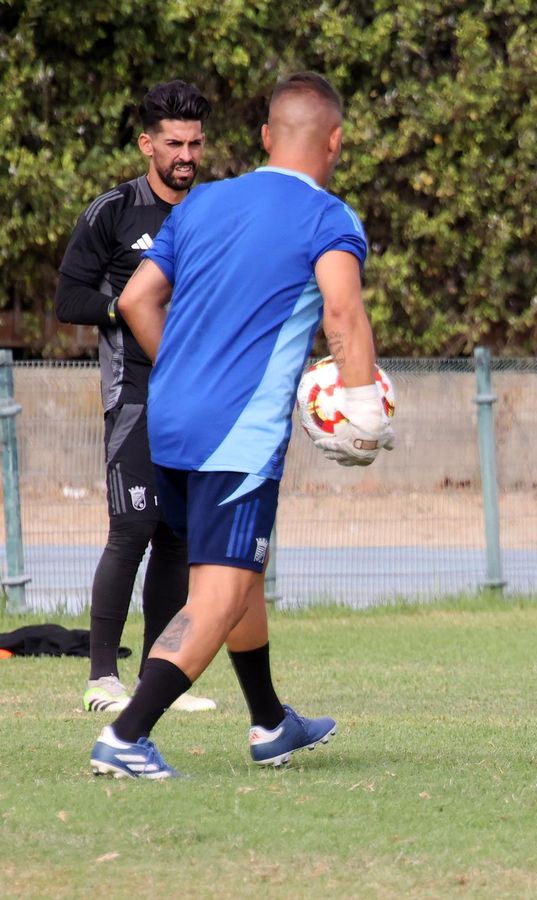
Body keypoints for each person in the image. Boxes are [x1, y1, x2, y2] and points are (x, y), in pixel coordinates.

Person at [88, 72, 395, 779]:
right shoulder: (329, 217)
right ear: (337, 142)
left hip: (167, 424)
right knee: (220, 595)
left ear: (264, 136)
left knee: (240, 572)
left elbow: (136, 299)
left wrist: (184, 374)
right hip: (237, 436)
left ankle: (269, 723)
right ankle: (126, 735)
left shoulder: (203, 204)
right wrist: (363, 406)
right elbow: (342, 314)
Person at [55, 80, 217, 715]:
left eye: (195, 143)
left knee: (177, 535)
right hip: (136, 394)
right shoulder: (113, 212)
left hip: (197, 396)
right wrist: (126, 307)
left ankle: (159, 679)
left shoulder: (210, 211)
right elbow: (68, 300)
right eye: (174, 143)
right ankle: (101, 677)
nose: (186, 155)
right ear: (147, 143)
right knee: (132, 529)